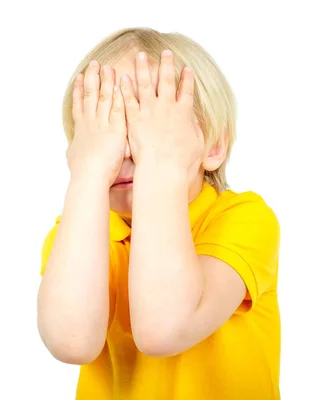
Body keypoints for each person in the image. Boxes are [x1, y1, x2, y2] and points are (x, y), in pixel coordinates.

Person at [37, 27, 281, 400]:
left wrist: (160, 166)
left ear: (213, 147)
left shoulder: (244, 218)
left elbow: (164, 328)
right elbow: (72, 343)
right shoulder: (77, 234)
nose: (127, 153)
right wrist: (87, 175)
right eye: (106, 129)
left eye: (151, 131)